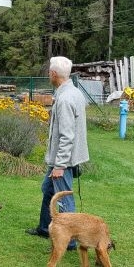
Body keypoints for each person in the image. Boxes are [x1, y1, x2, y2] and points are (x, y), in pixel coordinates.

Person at [25, 56, 89, 251]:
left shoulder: (65, 98)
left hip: (64, 161)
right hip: (61, 159)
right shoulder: (73, 92)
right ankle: (45, 228)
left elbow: (67, 136)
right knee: (48, 190)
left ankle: (68, 240)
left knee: (63, 197)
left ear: (53, 74)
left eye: (49, 72)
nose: (48, 74)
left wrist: (60, 165)